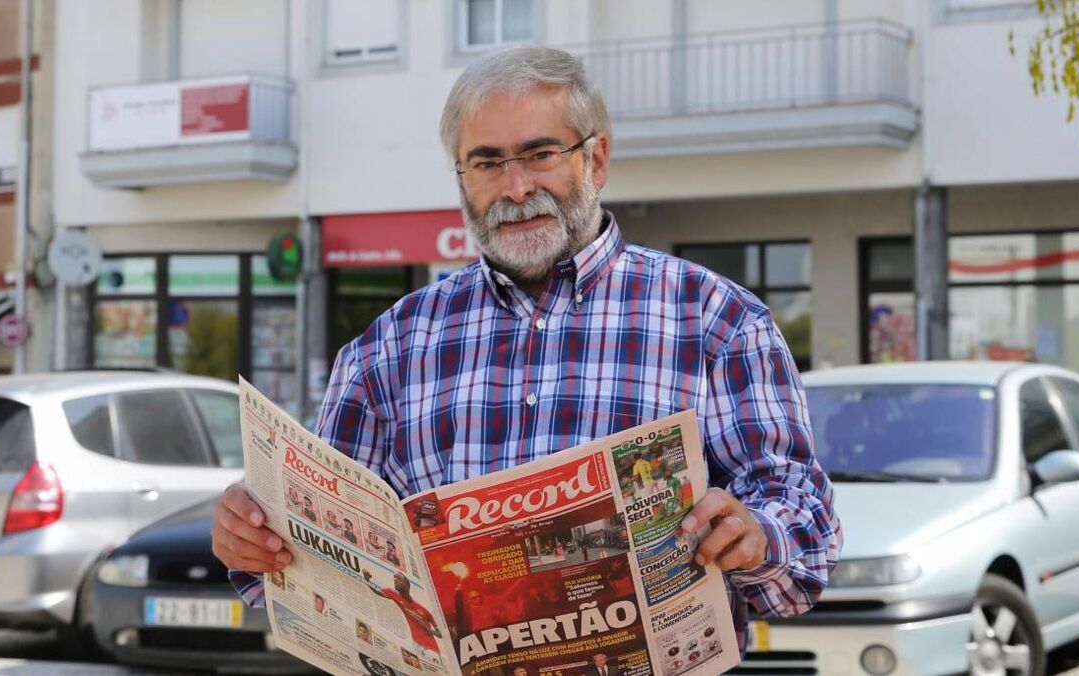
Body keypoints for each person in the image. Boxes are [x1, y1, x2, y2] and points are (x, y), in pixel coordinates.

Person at [212, 44, 841, 649]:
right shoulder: (389, 347)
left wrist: (758, 534)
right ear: (462, 179)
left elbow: (806, 539)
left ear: (596, 160)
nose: (515, 188)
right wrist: (255, 538)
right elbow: (319, 553)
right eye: (487, 163)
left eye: (540, 154)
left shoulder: (718, 321)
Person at [362, 571, 442, 654]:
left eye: (399, 578)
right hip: (413, 646)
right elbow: (377, 592)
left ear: (407, 585)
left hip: (431, 648)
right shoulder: (392, 594)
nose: (395, 580)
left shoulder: (424, 611)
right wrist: (367, 580)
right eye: (394, 578)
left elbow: (440, 634)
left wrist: (430, 630)